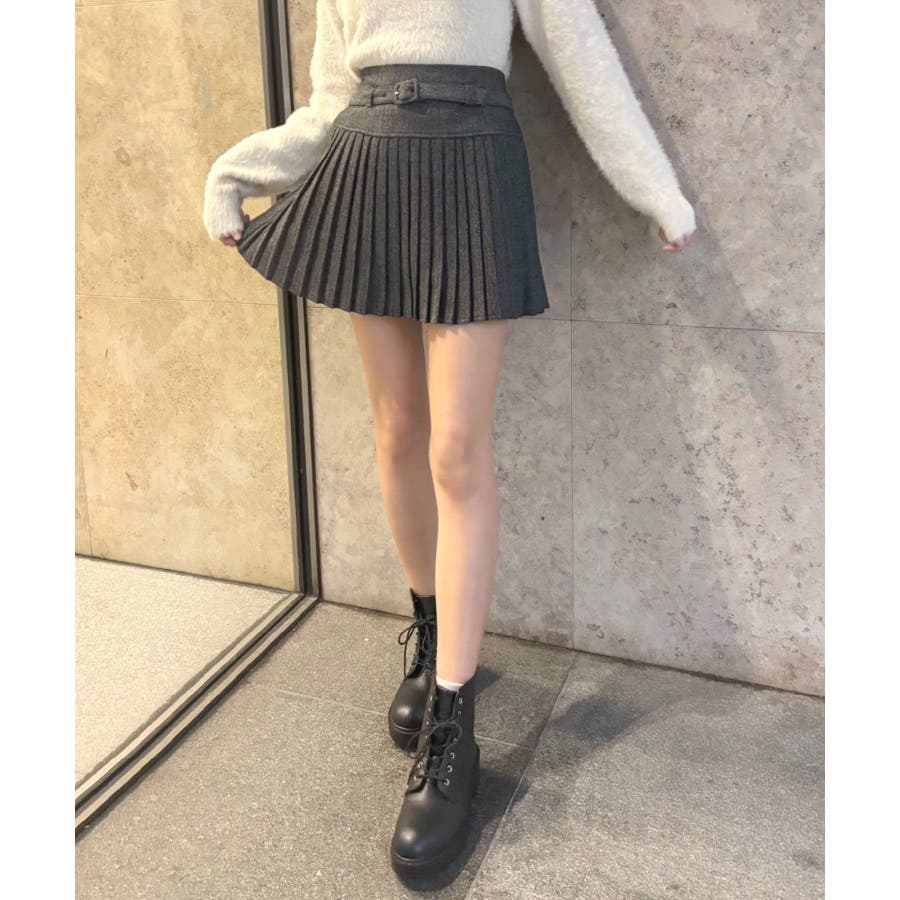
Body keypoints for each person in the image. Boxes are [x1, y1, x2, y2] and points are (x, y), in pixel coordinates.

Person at [203, 0, 694, 880]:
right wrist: (233, 172)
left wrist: (655, 189)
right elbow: (326, 106)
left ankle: (454, 720)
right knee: (397, 428)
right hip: (366, 169)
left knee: (456, 451)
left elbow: (580, 60)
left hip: (474, 168)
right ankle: (431, 636)